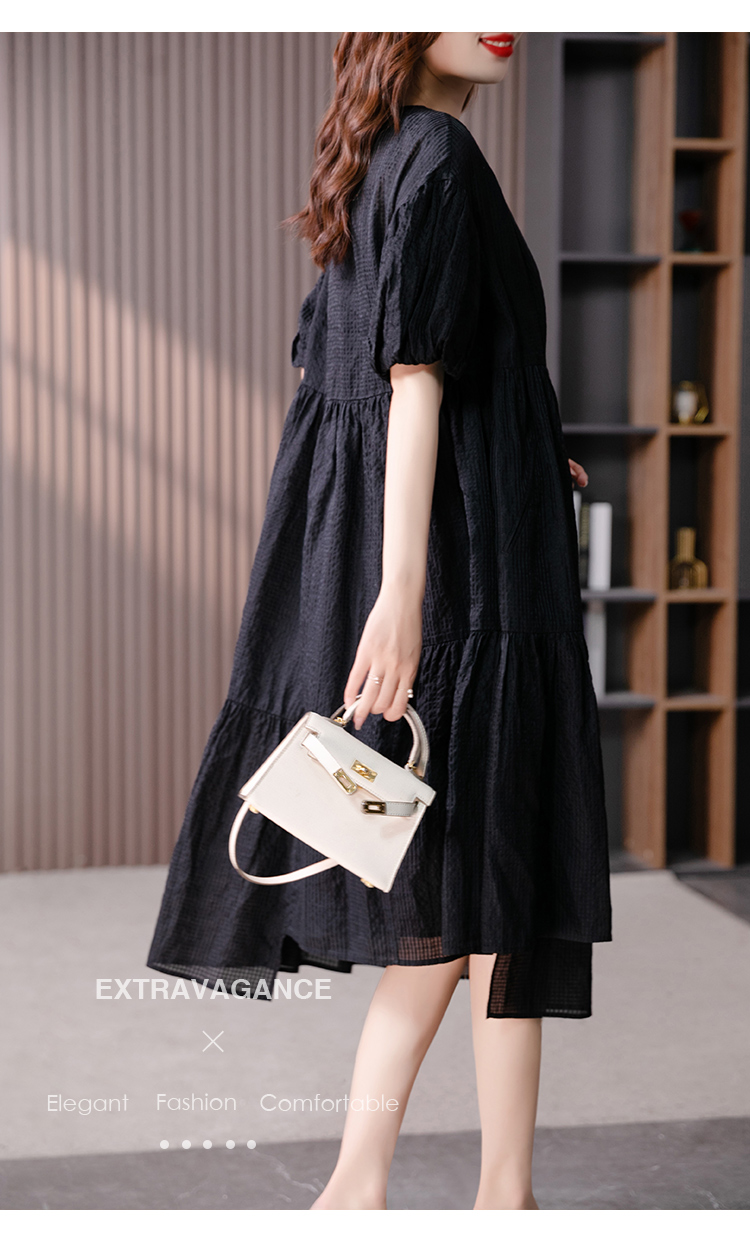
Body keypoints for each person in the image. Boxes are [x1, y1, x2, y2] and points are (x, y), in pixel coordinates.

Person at [147, 32, 612, 1211]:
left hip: (459, 541)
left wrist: (520, 447)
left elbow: (360, 375)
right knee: (489, 886)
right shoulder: (439, 153)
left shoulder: (381, 154)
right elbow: (410, 380)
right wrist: (399, 594)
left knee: (472, 892)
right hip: (470, 579)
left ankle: (427, 1189)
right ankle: (444, 1192)